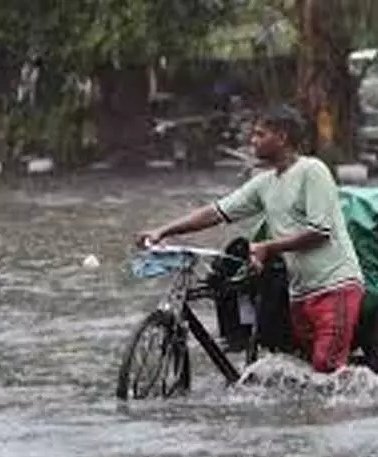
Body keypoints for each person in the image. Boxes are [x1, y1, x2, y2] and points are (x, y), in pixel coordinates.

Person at [135, 104, 364, 373]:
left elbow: (320, 232)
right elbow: (216, 212)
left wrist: (268, 246)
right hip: (300, 292)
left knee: (326, 367)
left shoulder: (312, 171)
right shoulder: (264, 183)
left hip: (334, 285)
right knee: (305, 370)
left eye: (259, 134)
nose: (252, 141)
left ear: (282, 137)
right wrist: (163, 230)